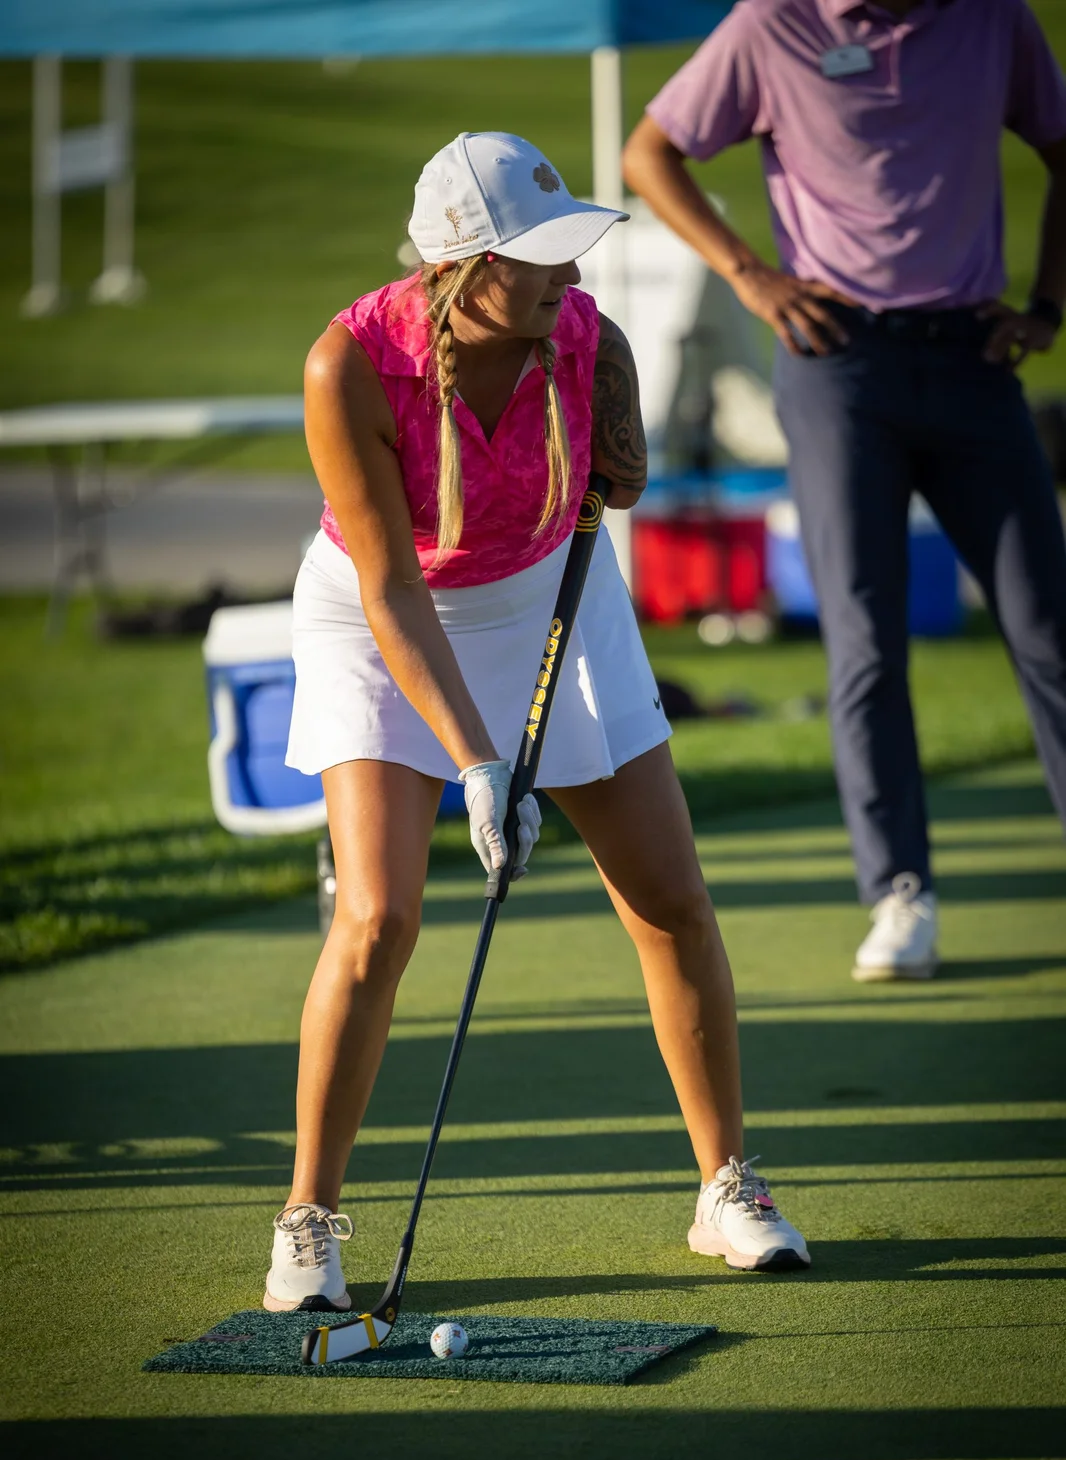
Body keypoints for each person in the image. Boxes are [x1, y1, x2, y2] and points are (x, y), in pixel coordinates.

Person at [264, 131, 810, 1311]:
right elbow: (390, 589)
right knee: (376, 919)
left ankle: (726, 1184)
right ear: (461, 268)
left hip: (550, 600)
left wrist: (620, 461)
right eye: (539, 258)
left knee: (669, 896)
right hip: (383, 614)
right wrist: (475, 761)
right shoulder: (346, 365)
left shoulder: (583, 336)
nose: (570, 277)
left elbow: (614, 491)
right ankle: (307, 1221)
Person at [624, 0, 1066, 981]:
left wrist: (1048, 303)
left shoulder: (994, 19)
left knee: (1047, 628)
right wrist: (747, 274)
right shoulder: (770, 24)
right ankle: (898, 892)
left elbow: (1060, 143)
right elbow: (648, 153)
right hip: (835, 361)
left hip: (972, 356)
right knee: (865, 636)